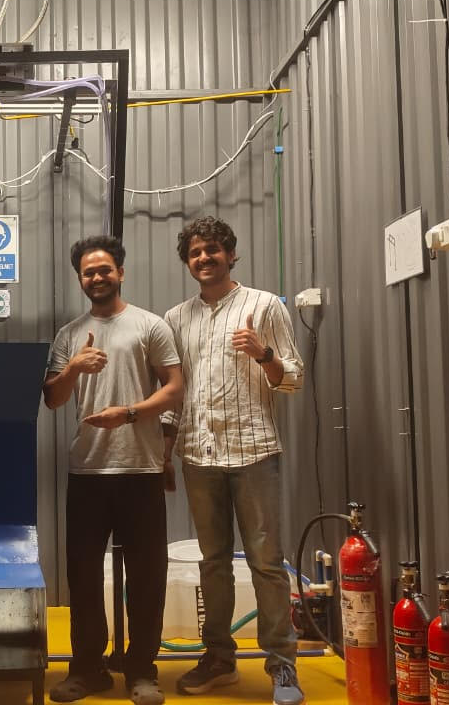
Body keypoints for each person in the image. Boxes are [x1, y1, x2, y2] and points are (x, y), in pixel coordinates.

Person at [162, 216, 305, 705]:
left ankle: (283, 667)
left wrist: (263, 354)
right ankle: (218, 658)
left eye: (213, 250)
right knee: (213, 563)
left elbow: (294, 379)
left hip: (254, 452)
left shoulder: (263, 305)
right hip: (198, 456)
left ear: (231, 254)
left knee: (267, 563)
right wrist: (165, 452)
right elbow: (174, 396)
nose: (205, 258)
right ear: (187, 261)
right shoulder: (176, 318)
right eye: (196, 252)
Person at [43, 235, 184, 705]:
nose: (97, 277)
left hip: (140, 468)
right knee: (82, 575)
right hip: (87, 472)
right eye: (88, 271)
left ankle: (142, 670)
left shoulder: (150, 325)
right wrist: (74, 369)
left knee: (147, 575)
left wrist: (127, 414)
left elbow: (174, 389)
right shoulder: (69, 335)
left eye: (105, 269)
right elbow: (53, 398)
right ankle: (87, 668)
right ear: (80, 279)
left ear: (120, 272)